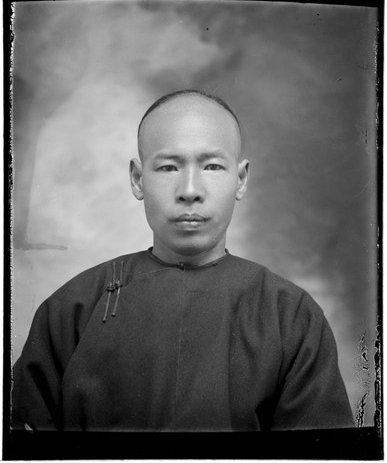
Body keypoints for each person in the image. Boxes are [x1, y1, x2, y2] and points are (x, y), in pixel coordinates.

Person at [11, 89, 354, 432]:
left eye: (213, 166)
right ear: (137, 178)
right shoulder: (72, 309)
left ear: (241, 178)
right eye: (169, 166)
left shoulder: (290, 315)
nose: (190, 189)